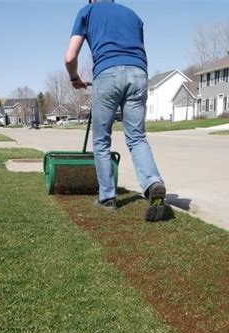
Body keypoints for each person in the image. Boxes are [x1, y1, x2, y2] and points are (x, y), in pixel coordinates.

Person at [65, 0, 166, 222]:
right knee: (137, 137)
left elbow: (70, 56)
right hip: (138, 73)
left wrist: (74, 77)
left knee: (101, 140)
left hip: (107, 73)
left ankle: (107, 198)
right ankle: (153, 183)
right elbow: (141, 51)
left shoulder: (88, 11)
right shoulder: (133, 15)